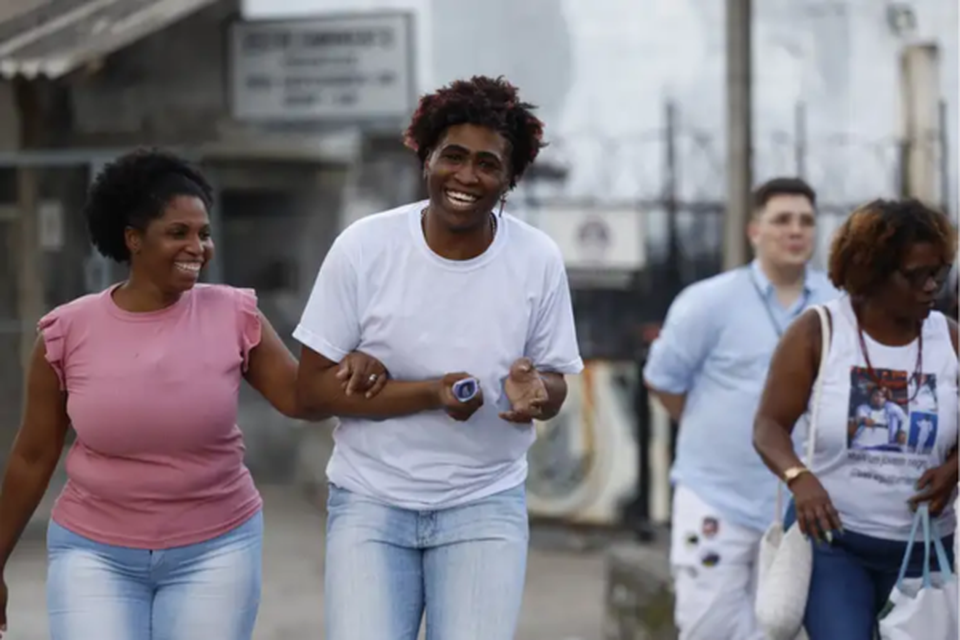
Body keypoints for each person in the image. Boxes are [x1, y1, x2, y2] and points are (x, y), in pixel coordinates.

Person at [0, 149, 386, 640]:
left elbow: (300, 399)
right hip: (93, 552)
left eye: (203, 233)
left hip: (216, 549)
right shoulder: (66, 332)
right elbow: (33, 457)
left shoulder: (235, 314)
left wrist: (354, 366)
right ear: (133, 240)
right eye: (178, 233)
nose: (198, 247)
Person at [293, 75, 583, 640]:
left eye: (488, 164)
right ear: (425, 156)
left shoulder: (536, 259)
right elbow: (309, 392)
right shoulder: (364, 247)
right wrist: (430, 392)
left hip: (484, 503)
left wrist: (540, 393)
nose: (467, 176)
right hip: (371, 502)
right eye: (453, 156)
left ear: (509, 178)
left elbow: (555, 383)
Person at [643, 177, 839, 639]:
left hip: (803, 505)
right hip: (717, 495)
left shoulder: (838, 306)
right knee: (705, 627)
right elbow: (664, 382)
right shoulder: (708, 302)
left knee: (788, 628)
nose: (796, 231)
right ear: (754, 230)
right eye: (782, 220)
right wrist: (717, 432)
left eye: (806, 221)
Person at [753, 198, 958, 639]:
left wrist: (955, 469)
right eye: (916, 275)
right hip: (835, 544)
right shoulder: (819, 332)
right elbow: (768, 426)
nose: (931, 287)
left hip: (924, 550)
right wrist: (798, 478)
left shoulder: (951, 339)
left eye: (938, 273)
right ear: (872, 272)